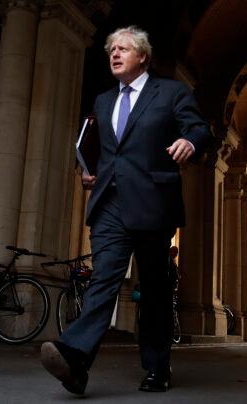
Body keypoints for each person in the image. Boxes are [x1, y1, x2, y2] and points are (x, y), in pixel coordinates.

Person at [40, 26, 211, 395]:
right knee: (103, 279)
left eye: (123, 49)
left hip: (153, 204)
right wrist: (91, 172)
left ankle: (157, 367)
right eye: (111, 49)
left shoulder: (171, 92)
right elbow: (104, 150)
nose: (114, 54)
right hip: (110, 204)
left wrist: (188, 141)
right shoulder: (103, 101)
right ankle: (75, 358)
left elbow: (200, 130)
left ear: (143, 56)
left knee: (153, 289)